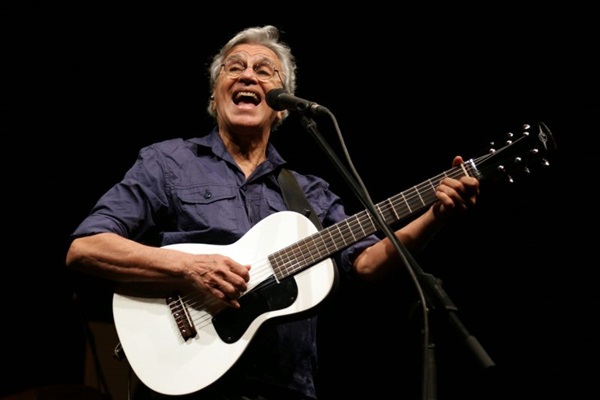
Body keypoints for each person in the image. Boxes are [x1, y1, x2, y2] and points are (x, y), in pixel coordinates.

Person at [65, 25, 480, 400]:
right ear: (215, 95)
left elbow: (367, 264)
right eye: (235, 68)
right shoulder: (168, 162)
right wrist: (186, 268)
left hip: (284, 387)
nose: (248, 76)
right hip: (186, 381)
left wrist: (435, 216)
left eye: (265, 71)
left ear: (281, 106)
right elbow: (86, 248)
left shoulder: (310, 192)